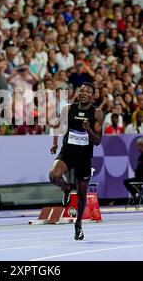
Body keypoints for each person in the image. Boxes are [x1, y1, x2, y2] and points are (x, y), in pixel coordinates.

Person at [49, 83, 103, 240]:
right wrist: (54, 143)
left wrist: (89, 130)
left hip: (84, 156)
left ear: (93, 95)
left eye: (87, 91)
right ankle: (66, 187)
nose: (83, 93)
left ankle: (78, 223)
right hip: (68, 152)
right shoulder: (68, 109)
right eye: (81, 91)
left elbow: (98, 141)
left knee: (81, 194)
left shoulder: (97, 114)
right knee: (53, 176)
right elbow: (57, 125)